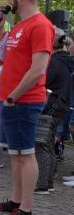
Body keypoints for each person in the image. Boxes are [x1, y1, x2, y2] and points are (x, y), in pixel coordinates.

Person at [0, 0, 54, 215]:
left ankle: (26, 210)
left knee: (25, 154)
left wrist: (13, 96)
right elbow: (0, 57)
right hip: (11, 99)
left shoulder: (40, 25)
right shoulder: (19, 26)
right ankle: (15, 202)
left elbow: (38, 70)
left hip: (23, 100)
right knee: (16, 154)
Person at [34, 31, 71, 194]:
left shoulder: (55, 62)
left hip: (51, 107)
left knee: (42, 145)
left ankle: (43, 184)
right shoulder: (64, 60)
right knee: (48, 145)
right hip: (59, 107)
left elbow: (44, 81)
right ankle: (47, 182)